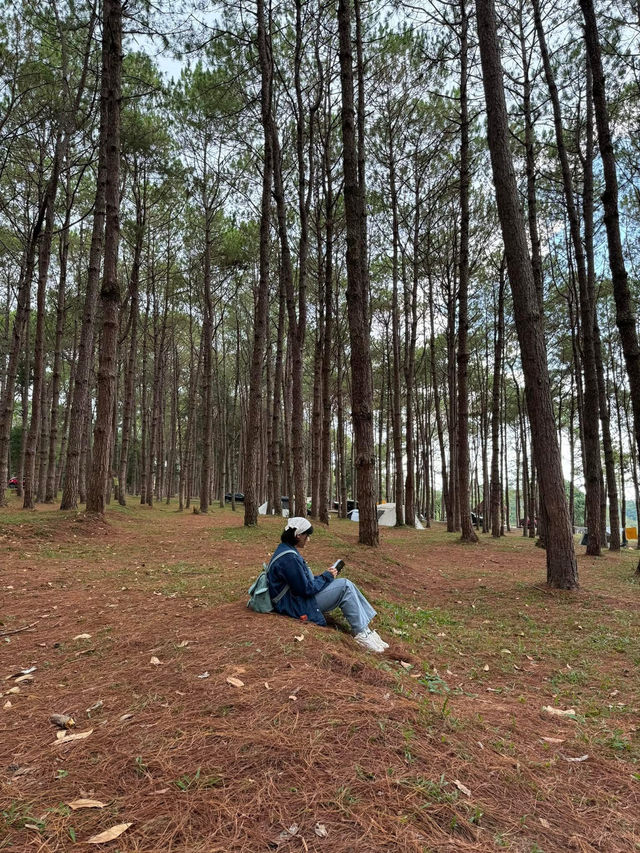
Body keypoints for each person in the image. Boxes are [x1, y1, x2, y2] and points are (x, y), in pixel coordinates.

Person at [267, 517, 389, 653]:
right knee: (345, 586)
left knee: (348, 585)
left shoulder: (286, 551)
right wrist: (326, 577)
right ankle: (361, 634)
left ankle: (366, 630)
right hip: (296, 605)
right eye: (307, 536)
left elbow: (302, 583)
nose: (308, 540)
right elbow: (306, 589)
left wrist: (325, 576)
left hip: (295, 599)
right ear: (298, 535)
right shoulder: (289, 558)